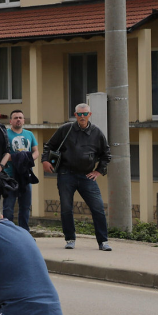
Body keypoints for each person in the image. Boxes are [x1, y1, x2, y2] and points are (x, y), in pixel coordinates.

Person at [42, 103, 112, 251]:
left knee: (98, 208)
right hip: (66, 174)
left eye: (85, 114)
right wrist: (45, 161)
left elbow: (106, 155)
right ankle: (70, 239)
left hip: (87, 176)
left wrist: (98, 171)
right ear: (75, 115)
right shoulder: (65, 129)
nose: (82, 116)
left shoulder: (97, 133)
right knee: (66, 208)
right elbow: (49, 146)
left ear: (90, 115)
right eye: (79, 114)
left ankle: (103, 241)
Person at [2, 110, 39, 231]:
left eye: (20, 117)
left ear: (23, 120)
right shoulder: (5, 134)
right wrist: (17, 158)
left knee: (25, 206)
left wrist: (27, 159)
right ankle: (8, 232)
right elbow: (3, 154)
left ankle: (24, 232)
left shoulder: (29, 134)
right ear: (10, 121)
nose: (18, 119)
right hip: (10, 176)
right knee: (8, 207)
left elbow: (36, 151)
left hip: (25, 175)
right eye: (15, 117)